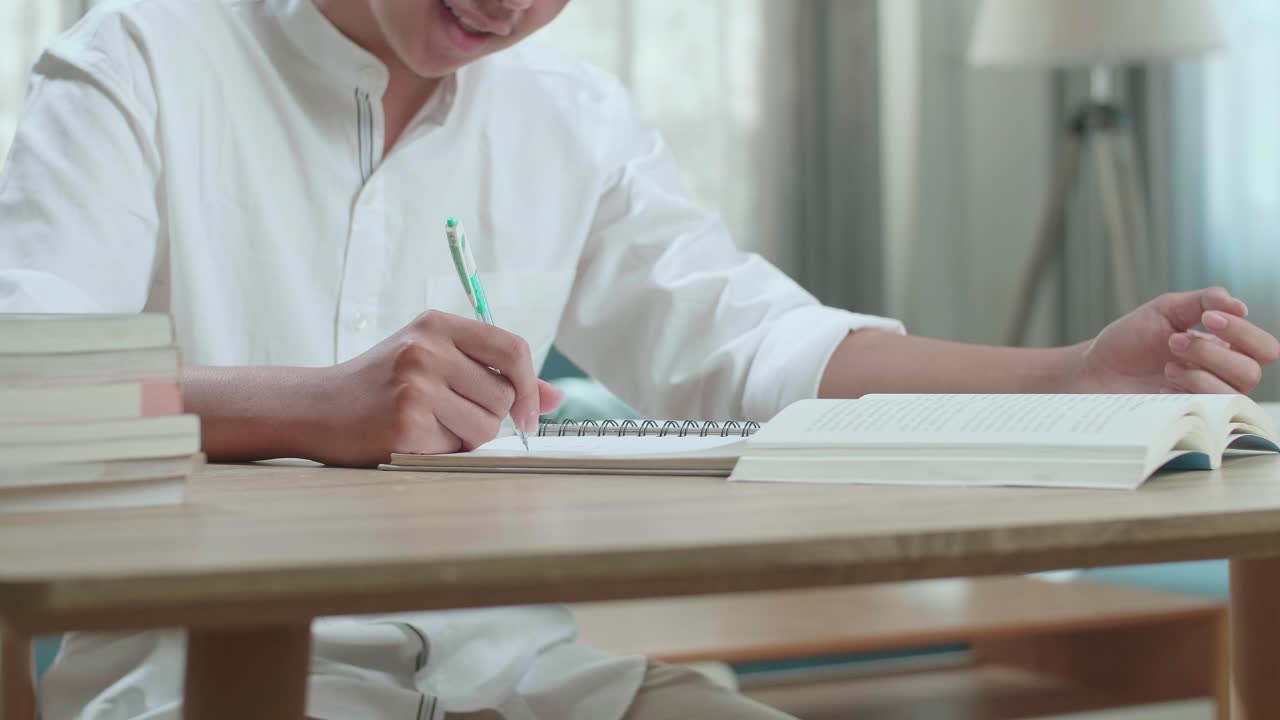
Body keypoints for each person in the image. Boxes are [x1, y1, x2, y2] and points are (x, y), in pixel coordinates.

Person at [2, 0, 1276, 718]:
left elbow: (750, 344)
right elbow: (22, 382)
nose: (505, 6)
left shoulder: (573, 118)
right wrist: (305, 403)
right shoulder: (138, 60)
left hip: (539, 687)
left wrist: (1070, 377)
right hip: (207, 691)